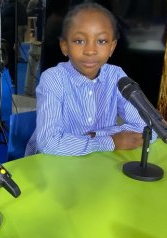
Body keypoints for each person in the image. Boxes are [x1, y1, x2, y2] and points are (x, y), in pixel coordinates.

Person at [25, 2, 156, 157]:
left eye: (101, 41)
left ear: (112, 47)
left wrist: (93, 136)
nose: (90, 51)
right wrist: (111, 141)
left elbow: (148, 130)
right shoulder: (53, 79)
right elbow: (48, 143)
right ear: (64, 46)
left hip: (98, 160)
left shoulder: (116, 76)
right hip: (53, 163)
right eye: (79, 41)